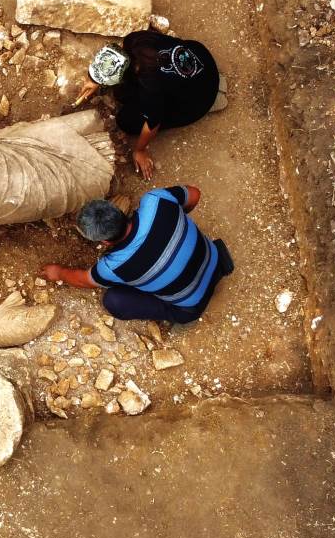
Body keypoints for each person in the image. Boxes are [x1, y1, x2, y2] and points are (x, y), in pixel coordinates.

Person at [38, 185, 234, 324]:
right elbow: (194, 194)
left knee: (114, 301)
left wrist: (59, 272)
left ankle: (177, 308)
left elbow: (84, 280)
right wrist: (177, 219)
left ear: (104, 242)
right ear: (118, 210)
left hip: (191, 306)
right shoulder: (156, 200)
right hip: (215, 259)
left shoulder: (114, 266)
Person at [74, 30, 222, 180]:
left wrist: (140, 150)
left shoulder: (152, 86)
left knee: (126, 120)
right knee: (123, 93)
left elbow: (152, 124)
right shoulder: (137, 41)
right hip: (202, 57)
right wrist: (95, 79)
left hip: (200, 98)